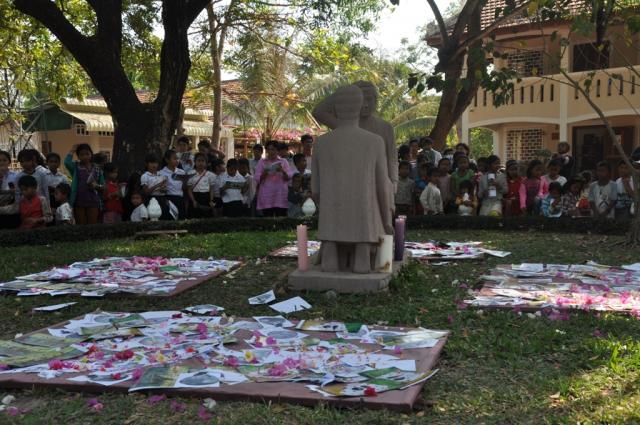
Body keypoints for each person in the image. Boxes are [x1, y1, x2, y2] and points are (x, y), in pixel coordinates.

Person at [64, 144, 104, 225]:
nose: (85, 156)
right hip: (79, 200)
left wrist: (96, 186)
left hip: (93, 200)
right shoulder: (76, 167)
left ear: (91, 154)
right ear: (78, 156)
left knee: (92, 225)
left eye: (87, 154)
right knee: (81, 225)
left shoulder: (97, 168)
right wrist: (73, 149)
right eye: (82, 154)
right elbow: (67, 162)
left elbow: (103, 185)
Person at [254, 140, 293, 217]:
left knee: (281, 218)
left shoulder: (283, 161)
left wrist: (282, 171)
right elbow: (257, 178)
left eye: (273, 149)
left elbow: (288, 177)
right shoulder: (262, 162)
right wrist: (265, 173)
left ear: (277, 151)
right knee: (267, 219)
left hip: (280, 195)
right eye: (269, 149)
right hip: (267, 195)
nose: (271, 151)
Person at [140, 153, 170, 220]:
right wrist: (158, 185)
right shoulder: (145, 176)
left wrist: (164, 189)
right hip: (151, 200)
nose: (154, 165)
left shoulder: (162, 174)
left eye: (155, 163)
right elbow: (146, 192)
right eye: (151, 163)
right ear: (147, 164)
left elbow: (165, 189)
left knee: (164, 219)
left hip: (162, 199)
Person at [187, 153, 217, 218]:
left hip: (206, 197)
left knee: (206, 217)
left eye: (203, 161)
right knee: (194, 217)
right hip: (195, 197)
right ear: (195, 162)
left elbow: (211, 189)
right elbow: (189, 189)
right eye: (198, 161)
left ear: (206, 163)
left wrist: (211, 200)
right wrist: (193, 201)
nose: (200, 163)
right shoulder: (190, 173)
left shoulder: (210, 175)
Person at [159, 150, 186, 219]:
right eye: (174, 158)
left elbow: (183, 188)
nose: (177, 160)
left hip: (180, 199)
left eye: (178, 158)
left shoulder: (182, 172)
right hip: (168, 199)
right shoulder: (161, 173)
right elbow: (161, 190)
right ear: (167, 160)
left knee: (180, 220)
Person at [0, 150, 19, 229]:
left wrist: (8, 192)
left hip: (10, 209)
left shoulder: (15, 176)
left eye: (4, 160)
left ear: (9, 162)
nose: (2, 162)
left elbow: (18, 191)